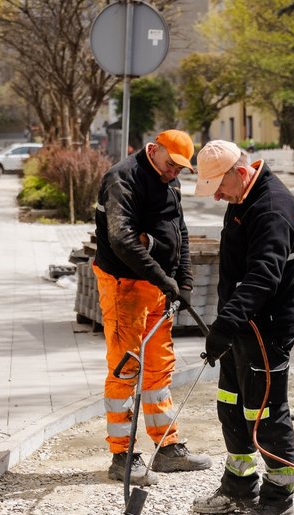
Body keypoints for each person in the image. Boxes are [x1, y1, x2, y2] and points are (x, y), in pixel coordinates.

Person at [191, 140, 294, 515]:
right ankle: (240, 485)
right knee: (231, 404)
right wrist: (227, 324)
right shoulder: (243, 201)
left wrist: (224, 325)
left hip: (267, 328)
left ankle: (279, 501)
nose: (218, 196)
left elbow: (262, 278)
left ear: (240, 173)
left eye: (219, 187)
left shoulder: (272, 208)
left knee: (267, 415)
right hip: (242, 326)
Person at [93, 129, 212, 486]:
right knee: (126, 367)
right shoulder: (122, 179)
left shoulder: (170, 181)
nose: (175, 172)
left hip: (156, 287)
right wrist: (164, 278)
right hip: (123, 286)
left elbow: (181, 231)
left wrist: (185, 282)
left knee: (159, 368)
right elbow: (122, 239)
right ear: (154, 149)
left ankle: (167, 447)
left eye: (180, 168)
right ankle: (122, 455)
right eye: (171, 164)